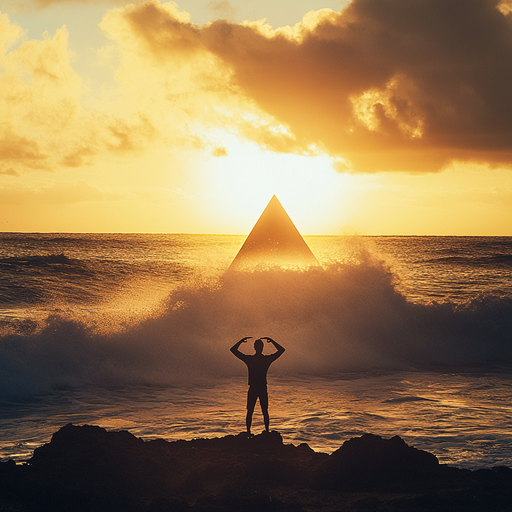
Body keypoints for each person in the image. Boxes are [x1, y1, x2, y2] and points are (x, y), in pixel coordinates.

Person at [230, 336, 285, 435]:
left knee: (251, 411)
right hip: (262, 388)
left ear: (254, 347)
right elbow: (281, 350)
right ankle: (266, 431)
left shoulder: (250, 359)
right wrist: (272, 341)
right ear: (262, 348)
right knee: (264, 410)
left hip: (254, 388)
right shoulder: (266, 359)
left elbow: (233, 350)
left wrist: (241, 341)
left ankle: (248, 432)